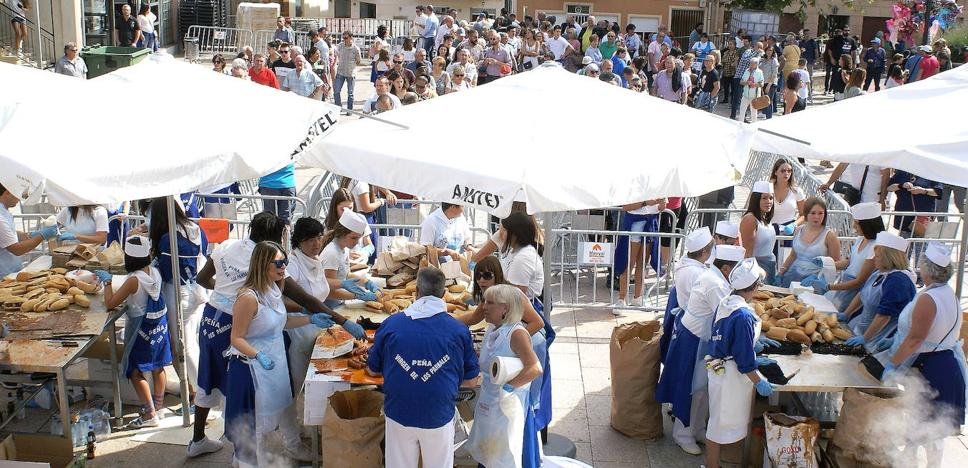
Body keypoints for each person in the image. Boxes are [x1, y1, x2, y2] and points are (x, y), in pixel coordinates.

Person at [189, 212, 362, 458]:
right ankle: (242, 454)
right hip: (238, 327)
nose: (282, 264)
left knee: (209, 383)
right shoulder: (266, 262)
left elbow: (203, 278)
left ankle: (201, 440)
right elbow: (303, 297)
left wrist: (224, 293)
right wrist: (341, 320)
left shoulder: (227, 247)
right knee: (244, 399)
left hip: (212, 318)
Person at [225, 241, 336, 466]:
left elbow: (280, 322)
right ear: (262, 264)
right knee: (254, 426)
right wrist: (257, 355)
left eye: (285, 261)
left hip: (274, 363)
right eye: (278, 262)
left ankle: (268, 455)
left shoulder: (274, 289)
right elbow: (236, 338)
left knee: (278, 411)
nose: (284, 266)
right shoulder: (248, 297)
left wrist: (310, 319)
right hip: (251, 369)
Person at [366, 267, 480, 468]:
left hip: (399, 412)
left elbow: (373, 370)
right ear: (443, 294)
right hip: (439, 413)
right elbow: (471, 380)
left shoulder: (391, 325)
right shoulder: (459, 331)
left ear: (416, 291)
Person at [876, 243, 965, 466]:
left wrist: (893, 364)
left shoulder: (929, 298)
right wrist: (893, 341)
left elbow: (916, 339)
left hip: (934, 368)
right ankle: (910, 461)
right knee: (924, 425)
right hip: (942, 364)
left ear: (926, 268)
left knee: (932, 428)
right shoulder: (944, 293)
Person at [657, 243, 745, 455]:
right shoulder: (714, 283)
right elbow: (727, 316)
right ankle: (682, 434)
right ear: (726, 268)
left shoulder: (716, 278)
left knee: (704, 389)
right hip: (694, 341)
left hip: (704, 340)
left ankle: (697, 429)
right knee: (690, 390)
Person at [704, 258, 778, 468]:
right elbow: (744, 361)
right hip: (731, 377)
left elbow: (726, 336)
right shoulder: (743, 315)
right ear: (753, 287)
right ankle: (712, 465)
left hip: (721, 370)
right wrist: (759, 381)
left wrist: (752, 344)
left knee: (718, 421)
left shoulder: (726, 302)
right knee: (719, 424)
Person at [95, 236, 169, 430]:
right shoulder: (155, 271)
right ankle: (159, 407)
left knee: (135, 371)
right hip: (158, 326)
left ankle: (150, 413)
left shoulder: (133, 280)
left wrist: (108, 283)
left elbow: (111, 303)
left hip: (140, 329)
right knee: (158, 366)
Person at [466, 284, 543, 468]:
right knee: (487, 453)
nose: (484, 306)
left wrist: (509, 387)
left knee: (503, 456)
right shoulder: (492, 328)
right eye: (485, 301)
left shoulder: (517, 334)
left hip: (506, 406)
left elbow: (535, 368)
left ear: (505, 307)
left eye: (490, 303)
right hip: (488, 401)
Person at [146, 198, 208, 412]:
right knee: (192, 343)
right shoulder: (195, 227)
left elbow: (164, 271)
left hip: (178, 293)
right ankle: (196, 392)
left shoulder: (167, 238)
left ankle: (201, 396)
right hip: (197, 291)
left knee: (183, 346)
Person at [802, 202, 885, 311]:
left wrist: (829, 286)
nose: (853, 226)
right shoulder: (861, 238)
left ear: (868, 225)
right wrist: (825, 264)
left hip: (855, 291)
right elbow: (849, 262)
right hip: (845, 285)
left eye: (857, 223)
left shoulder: (876, 247)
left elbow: (859, 281)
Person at [842, 232, 916, 353]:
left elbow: (884, 316)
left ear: (888, 258)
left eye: (877, 257)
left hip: (880, 337)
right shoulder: (880, 273)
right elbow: (863, 293)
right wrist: (846, 313)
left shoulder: (897, 281)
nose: (874, 259)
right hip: (865, 330)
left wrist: (865, 338)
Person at [777, 197, 842, 287]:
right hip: (792, 277)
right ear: (806, 214)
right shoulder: (798, 230)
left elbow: (836, 265)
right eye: (813, 213)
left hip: (813, 282)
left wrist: (817, 277)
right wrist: (781, 272)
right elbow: (793, 256)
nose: (817, 217)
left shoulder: (830, 236)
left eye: (820, 213)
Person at [612, 199, 663, 309]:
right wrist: (645, 203)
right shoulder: (633, 184)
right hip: (634, 224)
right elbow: (626, 206)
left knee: (642, 264)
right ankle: (621, 299)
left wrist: (662, 204)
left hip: (650, 225)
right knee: (628, 262)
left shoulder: (658, 186)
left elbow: (660, 208)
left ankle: (638, 298)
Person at [0, 183, 55, 277]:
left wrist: (29, 235)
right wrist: (42, 236)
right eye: (17, 194)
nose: (19, 198)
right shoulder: (1, 217)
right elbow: (17, 249)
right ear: (8, 192)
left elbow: (8, 234)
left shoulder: (4, 211)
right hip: (4, 274)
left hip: (12, 270)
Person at [885, 170, 943, 239]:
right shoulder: (902, 172)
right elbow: (889, 187)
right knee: (904, 247)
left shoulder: (931, 172)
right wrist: (901, 185)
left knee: (921, 247)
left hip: (923, 218)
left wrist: (923, 191)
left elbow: (938, 192)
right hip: (904, 216)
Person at [740, 181, 777, 284]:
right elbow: (748, 253)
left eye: (771, 198)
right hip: (757, 268)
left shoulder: (765, 218)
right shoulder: (750, 219)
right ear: (756, 199)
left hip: (770, 266)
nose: (769, 201)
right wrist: (753, 275)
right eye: (764, 198)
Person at [819, 163, 890, 207]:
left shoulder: (881, 153)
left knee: (866, 227)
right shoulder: (853, 150)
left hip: (871, 199)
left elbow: (886, 178)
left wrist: (882, 200)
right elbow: (841, 166)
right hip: (854, 195)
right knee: (853, 224)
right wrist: (828, 183)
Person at [334, 32, 362, 114]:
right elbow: (337, 55)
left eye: (346, 38)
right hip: (340, 72)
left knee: (350, 93)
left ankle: (349, 110)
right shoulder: (340, 46)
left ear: (351, 38)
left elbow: (359, 60)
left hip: (350, 73)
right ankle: (338, 108)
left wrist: (352, 66)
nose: (344, 40)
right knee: (336, 91)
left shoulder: (356, 49)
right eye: (343, 38)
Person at [736, 57, 764, 123]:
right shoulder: (746, 70)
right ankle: (740, 125)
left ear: (756, 64)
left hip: (754, 96)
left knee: (754, 113)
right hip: (745, 95)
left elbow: (762, 84)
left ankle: (754, 127)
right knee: (742, 112)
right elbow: (741, 82)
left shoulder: (759, 72)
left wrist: (755, 84)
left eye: (752, 63)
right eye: (750, 63)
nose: (750, 65)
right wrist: (746, 83)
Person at [760, 47, 779, 119]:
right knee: (764, 100)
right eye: (768, 50)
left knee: (769, 100)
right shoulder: (763, 60)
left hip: (771, 83)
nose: (769, 52)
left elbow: (774, 73)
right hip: (763, 82)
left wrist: (769, 85)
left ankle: (769, 117)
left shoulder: (774, 60)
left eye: (771, 50)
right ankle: (765, 114)